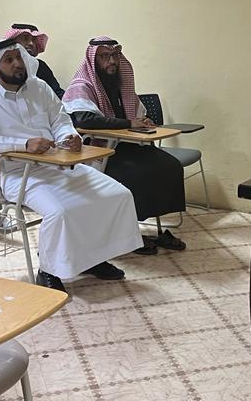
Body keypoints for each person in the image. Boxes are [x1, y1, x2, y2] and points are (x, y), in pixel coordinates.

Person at [0, 38, 141, 292]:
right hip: (18, 174)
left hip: (59, 165)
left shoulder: (39, 87)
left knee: (117, 195)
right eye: (9, 60)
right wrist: (24, 144)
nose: (17, 64)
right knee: (60, 212)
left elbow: (61, 121)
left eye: (19, 57)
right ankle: (48, 270)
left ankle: (92, 259)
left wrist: (69, 137)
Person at [64, 36, 187, 253]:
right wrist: (129, 123)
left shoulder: (120, 83)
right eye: (104, 56)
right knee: (135, 175)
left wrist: (144, 121)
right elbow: (85, 120)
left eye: (115, 55)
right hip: (101, 152)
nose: (111, 61)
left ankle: (158, 229)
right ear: (93, 60)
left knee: (169, 166)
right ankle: (129, 235)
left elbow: (136, 113)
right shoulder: (82, 85)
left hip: (129, 145)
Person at [5, 23, 63, 97]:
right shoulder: (2, 65)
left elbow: (57, 93)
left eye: (34, 40)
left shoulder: (40, 66)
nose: (31, 43)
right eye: (25, 38)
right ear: (12, 41)